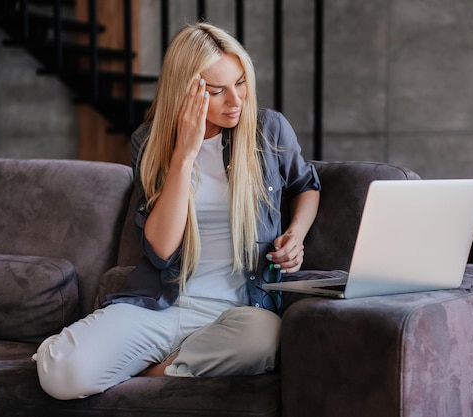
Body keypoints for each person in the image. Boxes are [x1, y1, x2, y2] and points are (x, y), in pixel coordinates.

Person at [33, 22, 320, 400]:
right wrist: (185, 153)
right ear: (187, 92)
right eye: (217, 91)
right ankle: (149, 358)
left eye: (241, 82)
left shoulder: (269, 129)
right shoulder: (149, 142)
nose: (235, 100)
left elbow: (306, 187)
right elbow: (162, 249)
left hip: (238, 310)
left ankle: (157, 370)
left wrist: (295, 235)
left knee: (265, 338)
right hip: (162, 303)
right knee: (61, 376)